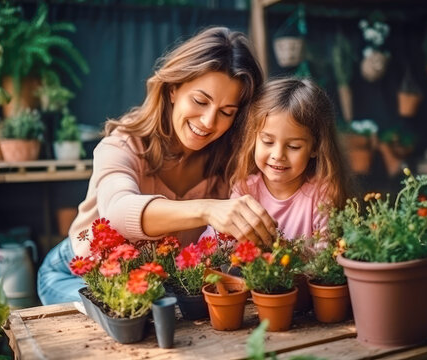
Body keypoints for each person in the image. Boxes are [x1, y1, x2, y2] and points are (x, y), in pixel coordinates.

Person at [38, 26, 277, 305]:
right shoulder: (123, 144)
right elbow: (117, 212)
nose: (209, 122)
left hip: (152, 285)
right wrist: (209, 209)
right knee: (131, 311)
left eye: (226, 112)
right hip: (75, 272)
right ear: (173, 89)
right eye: (200, 101)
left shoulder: (230, 161)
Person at [200, 77, 350, 242]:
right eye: (268, 142)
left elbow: (327, 256)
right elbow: (220, 242)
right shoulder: (246, 189)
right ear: (254, 138)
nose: (278, 155)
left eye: (293, 146)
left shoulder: (322, 194)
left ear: (315, 148)